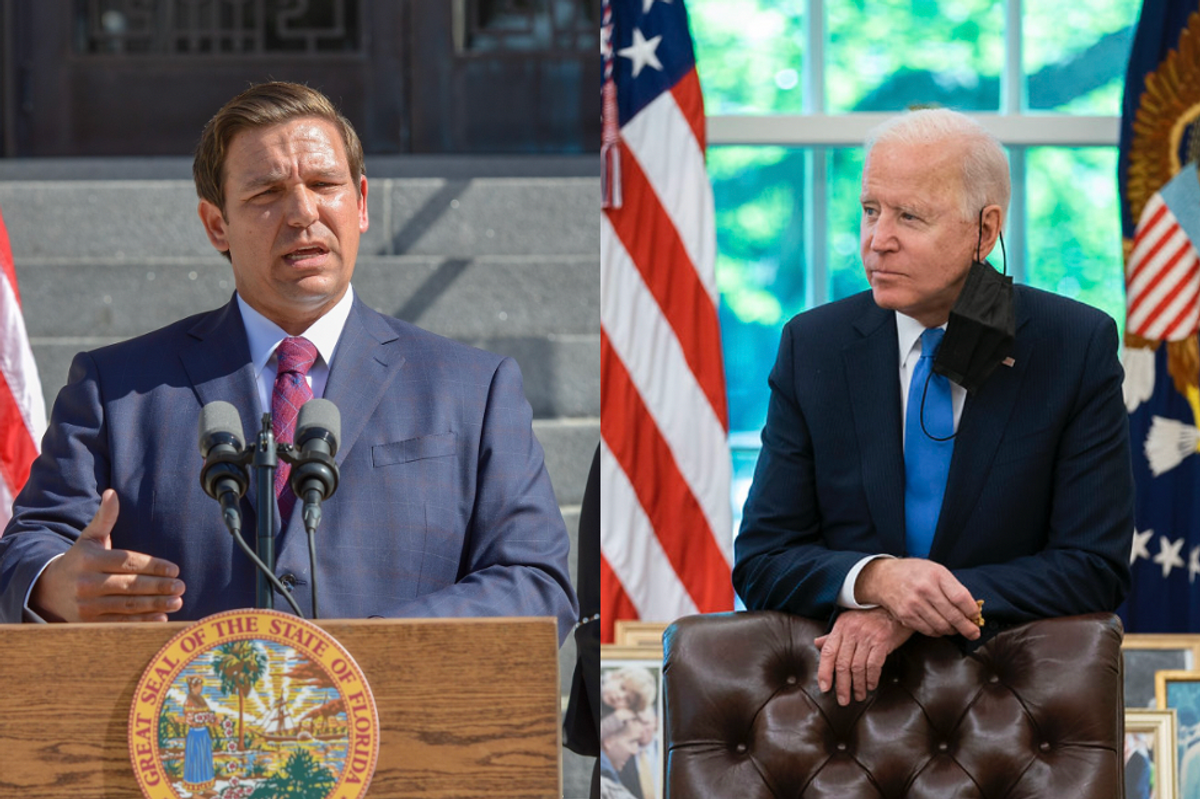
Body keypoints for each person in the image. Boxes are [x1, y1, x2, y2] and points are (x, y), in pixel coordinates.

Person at [0, 82, 577, 639]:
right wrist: (53, 584)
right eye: (267, 193)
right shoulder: (117, 389)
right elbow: (26, 549)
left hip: (396, 705)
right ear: (217, 225)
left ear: (361, 202)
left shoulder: (474, 388)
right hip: (186, 706)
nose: (303, 212)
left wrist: (378, 653)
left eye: (325, 184)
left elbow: (535, 583)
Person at [732, 108, 1134, 708]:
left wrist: (915, 606)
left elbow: (1093, 566)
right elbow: (762, 559)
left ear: (984, 231)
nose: (878, 239)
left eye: (910, 216)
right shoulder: (812, 345)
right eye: (871, 210)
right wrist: (877, 580)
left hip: (1010, 698)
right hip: (843, 703)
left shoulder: (1074, 345)